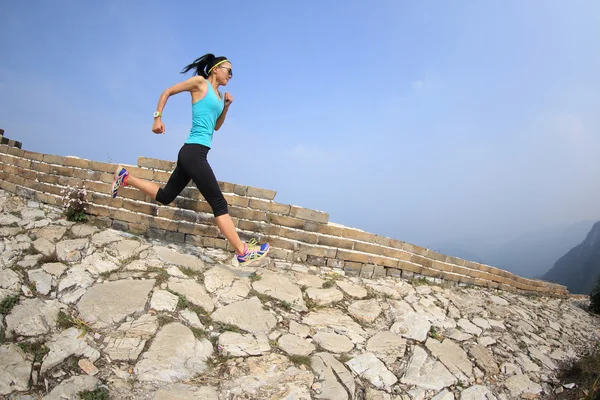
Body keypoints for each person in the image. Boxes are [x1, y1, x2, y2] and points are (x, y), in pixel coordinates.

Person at [110, 53, 270, 265]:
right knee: (219, 203)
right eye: (229, 71)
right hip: (194, 153)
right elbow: (167, 91)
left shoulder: (217, 94)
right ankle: (242, 251)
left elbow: (216, 126)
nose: (231, 75)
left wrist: (227, 106)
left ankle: (125, 177)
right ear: (216, 69)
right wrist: (157, 118)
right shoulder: (200, 83)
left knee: (167, 196)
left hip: (194, 153)